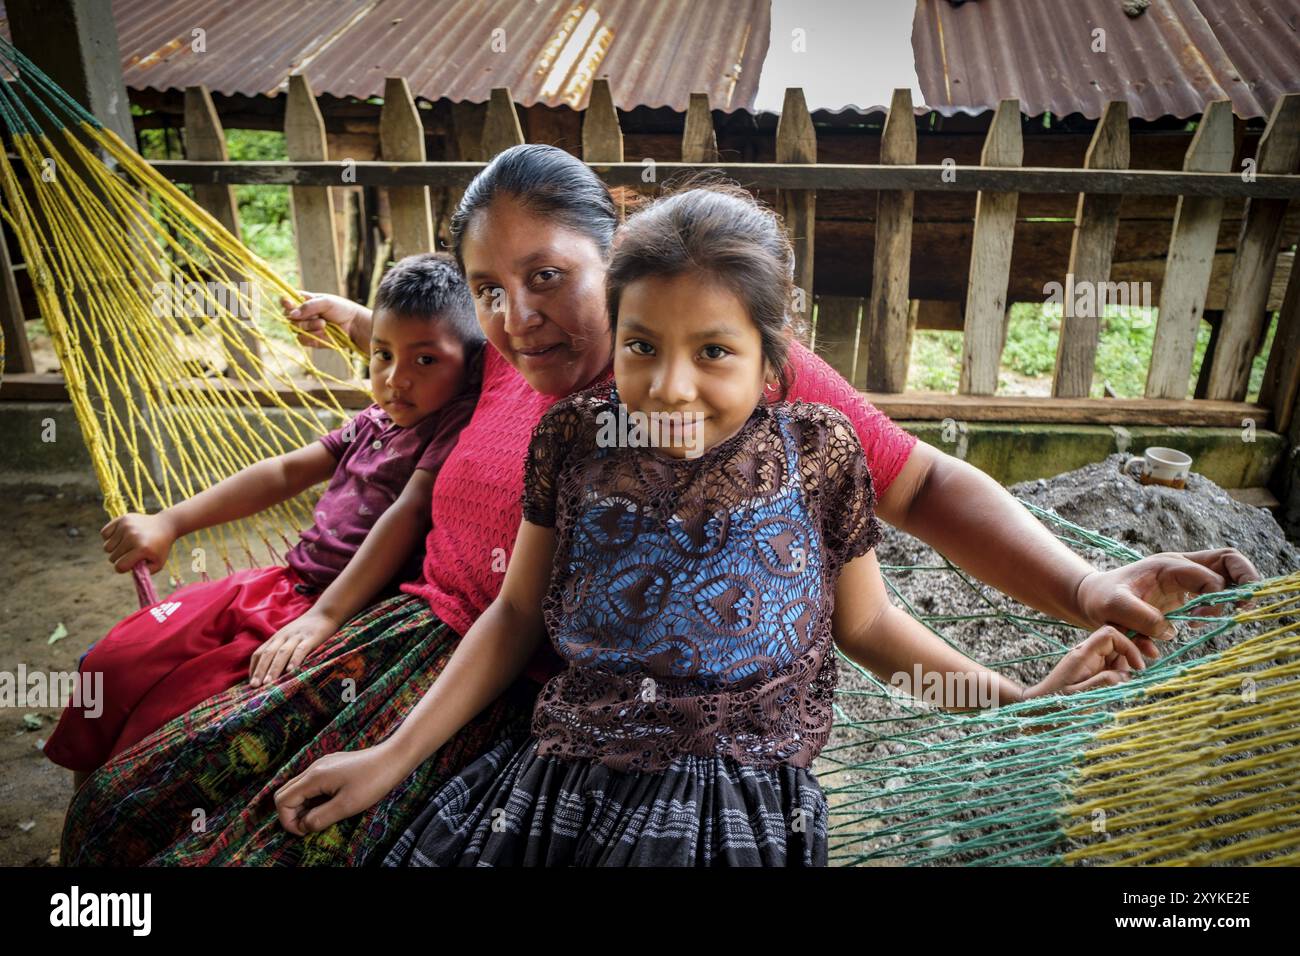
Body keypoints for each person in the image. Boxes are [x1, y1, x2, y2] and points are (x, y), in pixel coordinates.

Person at [60, 144, 1259, 867]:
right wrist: (317, 597)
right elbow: (398, 402)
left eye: (549, 278)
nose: (522, 314)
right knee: (132, 797)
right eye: (494, 287)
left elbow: (912, 521)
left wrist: (1085, 589)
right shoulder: (522, 388)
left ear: (612, 252)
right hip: (403, 659)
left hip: (551, 732)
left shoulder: (748, 390)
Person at [273, 183, 1158, 866]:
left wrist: (1010, 704)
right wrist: (389, 757)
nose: (670, 387)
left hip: (733, 805)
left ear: (776, 359)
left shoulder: (818, 456)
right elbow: (513, 617)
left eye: (715, 352)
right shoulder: (574, 442)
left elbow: (871, 628)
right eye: (642, 345)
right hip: (562, 778)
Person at [44, 253, 481, 788]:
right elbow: (283, 471)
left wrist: (324, 616)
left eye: (425, 362)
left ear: (473, 365)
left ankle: (115, 817)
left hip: (344, 612)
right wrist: (171, 522)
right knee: (114, 665)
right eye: (381, 356)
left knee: (169, 723)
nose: (395, 380)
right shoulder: (375, 418)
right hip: (276, 587)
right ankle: (86, 820)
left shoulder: (456, 421)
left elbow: (407, 512)